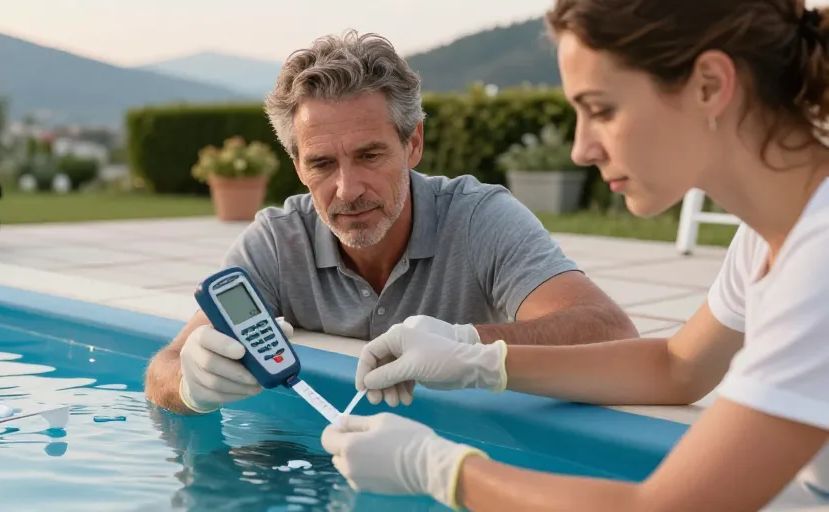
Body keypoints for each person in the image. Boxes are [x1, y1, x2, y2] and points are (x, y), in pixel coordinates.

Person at [320, 1, 829, 510]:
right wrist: (478, 358)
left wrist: (438, 470)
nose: (581, 149)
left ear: (710, 86)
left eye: (602, 109)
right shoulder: (769, 237)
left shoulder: (819, 259)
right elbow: (678, 368)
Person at [143, 30, 638, 416]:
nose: (347, 188)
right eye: (321, 164)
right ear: (296, 166)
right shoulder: (277, 240)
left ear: (413, 143)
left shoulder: (479, 217)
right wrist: (189, 385)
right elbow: (163, 368)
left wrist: (465, 346)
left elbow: (610, 331)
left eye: (370, 154)